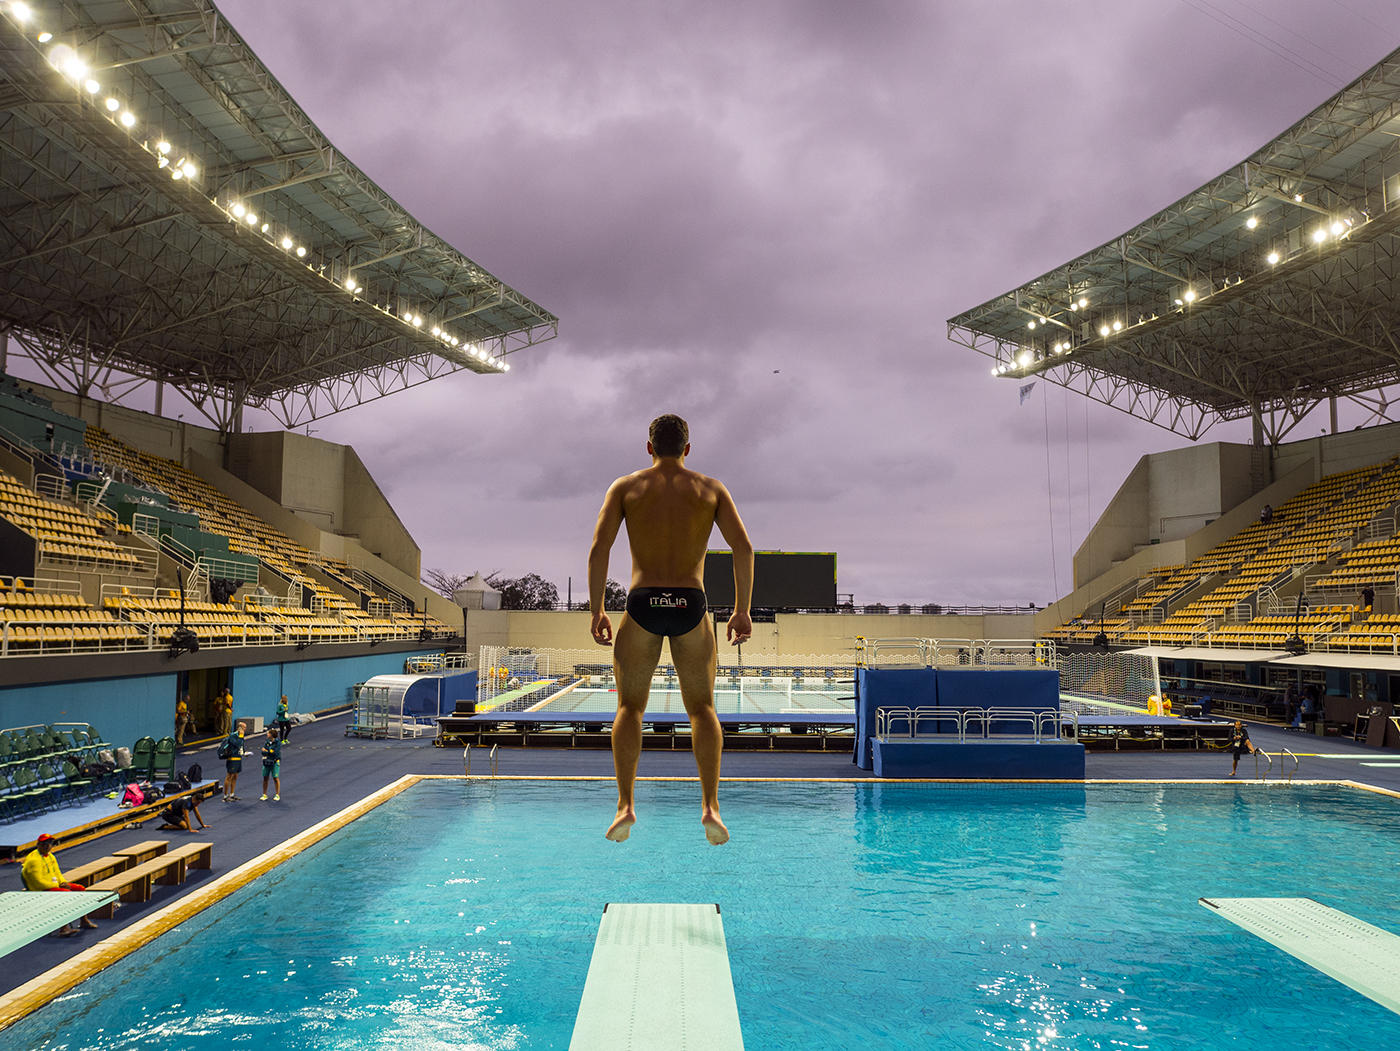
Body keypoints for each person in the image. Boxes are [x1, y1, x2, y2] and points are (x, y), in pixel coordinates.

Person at [588, 413, 753, 845]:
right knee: (703, 710)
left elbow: (598, 548)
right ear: (687, 448)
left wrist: (597, 610)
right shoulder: (710, 489)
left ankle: (625, 805)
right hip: (690, 604)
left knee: (629, 708)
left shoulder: (625, 488)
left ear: (648, 447)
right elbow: (744, 548)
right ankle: (711, 807)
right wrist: (742, 610)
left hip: (642, 602)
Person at [21, 834, 98, 935]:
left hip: (53, 886)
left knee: (80, 889)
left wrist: (63, 882)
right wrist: (57, 885)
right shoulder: (34, 860)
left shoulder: (50, 856)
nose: (47, 846)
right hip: (41, 890)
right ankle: (64, 928)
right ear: (38, 845)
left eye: (49, 844)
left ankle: (84, 920)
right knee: (65, 894)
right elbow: (38, 883)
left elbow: (57, 873)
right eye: (44, 844)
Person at [219, 724, 246, 801]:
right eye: (244, 727)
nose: (245, 729)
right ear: (239, 728)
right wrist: (241, 736)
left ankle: (232, 794)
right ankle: (225, 796)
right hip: (232, 759)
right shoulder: (233, 735)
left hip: (238, 758)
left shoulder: (241, 736)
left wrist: (244, 752)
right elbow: (237, 744)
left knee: (235, 777)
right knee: (229, 777)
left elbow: (241, 746)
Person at [260, 733, 282, 801]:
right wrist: (268, 752)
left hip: (275, 762)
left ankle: (277, 795)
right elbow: (262, 752)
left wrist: (267, 751)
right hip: (266, 762)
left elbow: (275, 753)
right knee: (265, 778)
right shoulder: (267, 742)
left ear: (272, 735)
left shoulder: (278, 743)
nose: (267, 734)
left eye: (268, 733)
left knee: (275, 778)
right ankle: (264, 794)